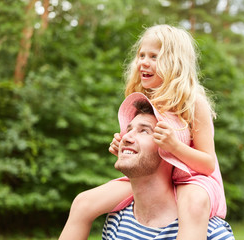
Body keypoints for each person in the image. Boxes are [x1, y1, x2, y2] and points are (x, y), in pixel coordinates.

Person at [59, 24, 226, 240]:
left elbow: (207, 164)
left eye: (154, 56)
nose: (143, 62)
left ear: (174, 63)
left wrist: (175, 146)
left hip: (193, 179)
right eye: (141, 55)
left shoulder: (193, 102)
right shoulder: (143, 96)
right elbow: (145, 152)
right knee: (83, 203)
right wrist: (123, 147)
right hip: (157, 178)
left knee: (193, 204)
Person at [102, 93, 234, 239]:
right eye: (128, 130)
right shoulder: (116, 222)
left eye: (144, 131)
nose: (125, 137)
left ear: (168, 150)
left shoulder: (211, 234)